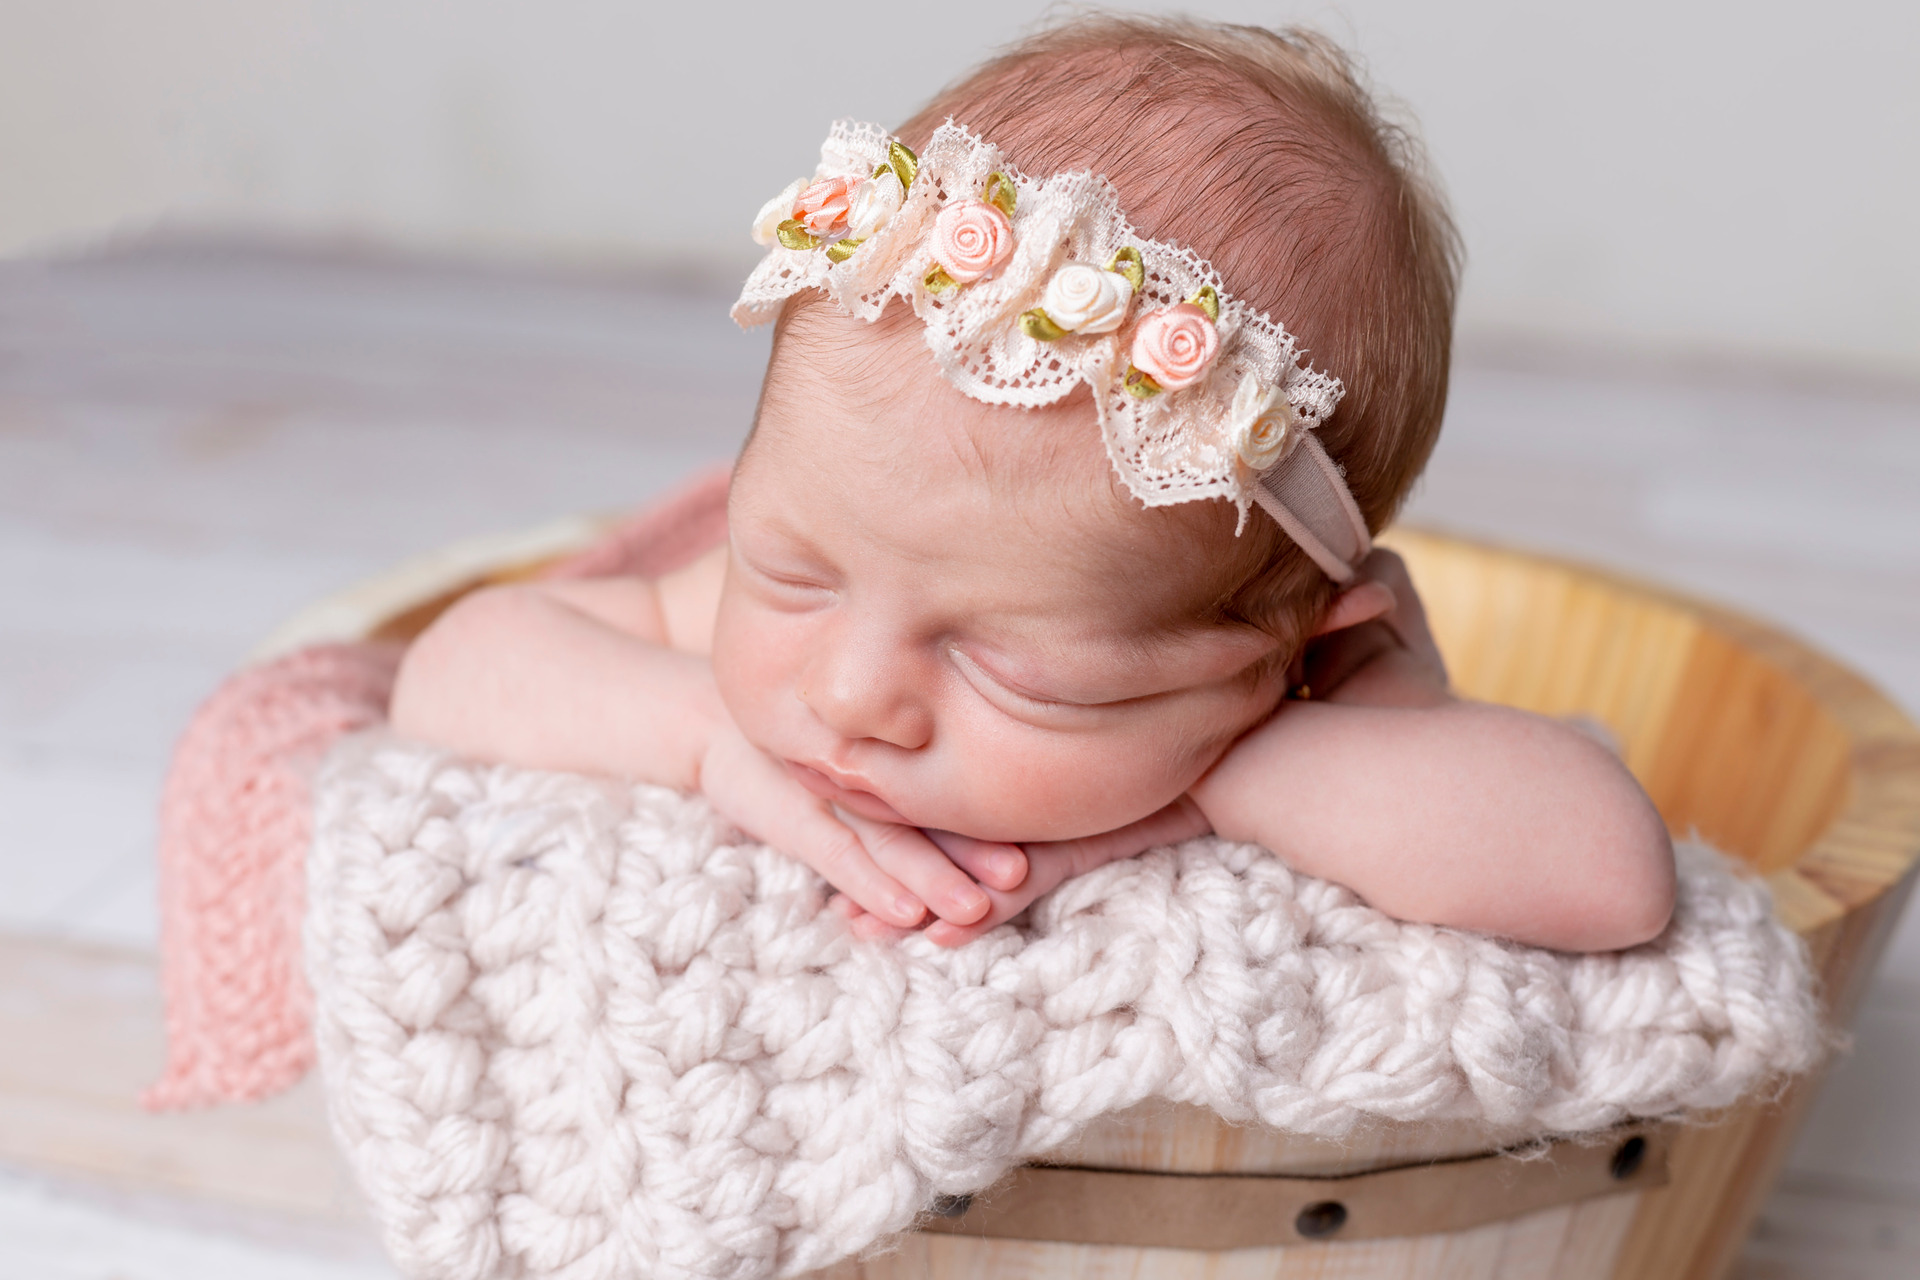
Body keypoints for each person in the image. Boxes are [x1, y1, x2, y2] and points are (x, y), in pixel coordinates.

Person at [389, 16, 1675, 953]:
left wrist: (1223, 780)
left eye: (1013, 667)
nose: (848, 694)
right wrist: (708, 742)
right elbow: (458, 663)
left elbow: (1612, 872)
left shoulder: (1317, 693)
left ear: (1280, 644)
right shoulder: (793, 625)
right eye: (791, 570)